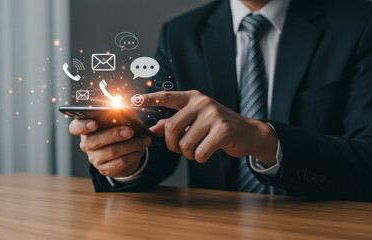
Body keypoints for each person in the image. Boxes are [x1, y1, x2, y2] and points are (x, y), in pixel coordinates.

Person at [69, 0, 372, 201]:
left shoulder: (359, 24)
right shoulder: (181, 34)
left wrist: (262, 139)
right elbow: (156, 141)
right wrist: (125, 161)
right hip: (214, 227)